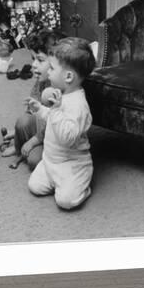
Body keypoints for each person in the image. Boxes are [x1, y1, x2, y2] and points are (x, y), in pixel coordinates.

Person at [27, 37, 96, 210]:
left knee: (66, 201)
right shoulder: (62, 94)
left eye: (51, 68)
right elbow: (53, 118)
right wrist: (40, 109)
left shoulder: (79, 105)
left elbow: (67, 138)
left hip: (71, 163)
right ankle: (55, 178)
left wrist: (56, 110)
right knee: (34, 186)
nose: (48, 72)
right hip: (51, 160)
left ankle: (82, 182)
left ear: (68, 76)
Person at [0, 29, 64, 169]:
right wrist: (19, 133)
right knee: (22, 122)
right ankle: (18, 148)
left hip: (57, 135)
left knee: (34, 161)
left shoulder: (61, 89)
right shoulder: (41, 81)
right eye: (33, 59)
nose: (34, 64)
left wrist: (34, 141)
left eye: (40, 60)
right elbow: (30, 112)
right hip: (42, 127)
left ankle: (30, 146)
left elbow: (55, 124)